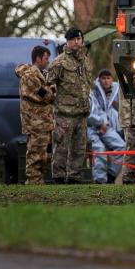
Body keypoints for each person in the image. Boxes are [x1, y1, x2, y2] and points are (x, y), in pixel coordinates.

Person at [46, 27, 92, 183]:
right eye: (74, 39)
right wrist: (54, 101)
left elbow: (87, 83)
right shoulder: (59, 62)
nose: (77, 42)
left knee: (79, 149)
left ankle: (74, 176)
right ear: (68, 41)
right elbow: (47, 85)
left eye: (79, 39)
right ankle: (58, 176)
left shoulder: (85, 61)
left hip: (82, 112)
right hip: (65, 114)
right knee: (61, 147)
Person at [15, 46, 56, 185]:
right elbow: (46, 96)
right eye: (45, 58)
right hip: (35, 122)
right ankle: (33, 181)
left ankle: (38, 181)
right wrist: (52, 89)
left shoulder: (39, 74)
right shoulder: (31, 77)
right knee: (36, 155)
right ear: (38, 58)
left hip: (42, 122)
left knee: (43, 154)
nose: (47, 61)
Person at [88, 69, 125, 184]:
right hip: (92, 128)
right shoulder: (93, 92)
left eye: (108, 78)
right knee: (99, 150)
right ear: (99, 80)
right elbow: (89, 113)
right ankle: (100, 182)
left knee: (122, 147)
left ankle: (111, 175)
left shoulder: (118, 90)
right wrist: (99, 123)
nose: (106, 81)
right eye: (103, 78)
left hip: (108, 127)